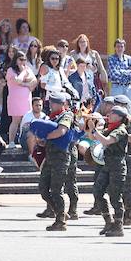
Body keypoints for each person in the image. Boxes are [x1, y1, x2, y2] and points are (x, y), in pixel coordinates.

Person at [32, 92, 75, 232]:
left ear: (62, 104)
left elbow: (62, 131)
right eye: (51, 103)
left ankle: (60, 221)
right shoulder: (52, 117)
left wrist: (47, 137)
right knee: (43, 188)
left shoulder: (66, 115)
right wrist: (42, 141)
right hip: (50, 157)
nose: (51, 105)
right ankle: (60, 213)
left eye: (54, 103)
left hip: (61, 158)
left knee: (56, 190)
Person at [90, 104, 130, 237]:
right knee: (97, 191)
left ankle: (118, 225)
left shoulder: (121, 130)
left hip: (117, 167)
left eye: (113, 114)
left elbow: (107, 141)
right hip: (108, 165)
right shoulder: (111, 128)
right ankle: (108, 221)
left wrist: (94, 131)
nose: (109, 115)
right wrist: (90, 127)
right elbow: (95, 138)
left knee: (115, 196)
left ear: (119, 117)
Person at [113, 95, 131, 226]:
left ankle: (128, 214)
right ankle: (120, 212)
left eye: (117, 105)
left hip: (128, 156)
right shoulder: (115, 119)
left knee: (128, 186)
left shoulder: (130, 121)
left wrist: (120, 134)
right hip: (117, 157)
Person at [6, 51, 37, 147]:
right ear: (16, 60)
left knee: (27, 120)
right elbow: (17, 80)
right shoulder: (11, 70)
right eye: (21, 59)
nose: (23, 61)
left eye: (24, 59)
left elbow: (34, 81)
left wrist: (24, 84)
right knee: (15, 120)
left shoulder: (28, 69)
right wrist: (23, 72)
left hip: (26, 99)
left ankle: (24, 140)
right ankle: (11, 141)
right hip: (15, 99)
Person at [0, 45, 18, 139]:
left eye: (13, 52)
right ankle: (4, 131)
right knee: (6, 109)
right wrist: (0, 81)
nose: (11, 53)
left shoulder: (19, 63)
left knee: (16, 110)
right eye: (9, 51)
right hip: (8, 88)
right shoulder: (4, 63)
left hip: (18, 89)